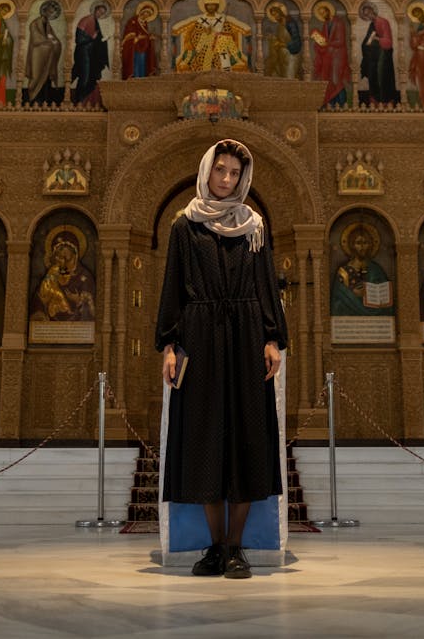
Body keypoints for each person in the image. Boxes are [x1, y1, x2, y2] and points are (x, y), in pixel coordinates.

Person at [156, 139, 287, 579]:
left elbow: (266, 284)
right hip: (201, 338)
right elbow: (173, 287)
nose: (227, 180)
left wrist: (272, 338)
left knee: (248, 440)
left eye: (234, 173)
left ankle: (236, 548)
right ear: (207, 171)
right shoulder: (184, 226)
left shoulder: (254, 226)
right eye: (221, 171)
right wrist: (170, 346)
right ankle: (216, 547)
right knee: (206, 441)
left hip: (247, 337)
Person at [330, 223, 392, 316]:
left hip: (376, 317)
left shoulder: (376, 269)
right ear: (352, 245)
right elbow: (338, 298)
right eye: (358, 243)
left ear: (370, 245)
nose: (362, 247)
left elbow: (386, 298)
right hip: (349, 318)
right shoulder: (343, 271)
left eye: (365, 243)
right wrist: (353, 294)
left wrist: (371, 293)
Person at [311, 1, 350, 109]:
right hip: (328, 56)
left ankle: (342, 104)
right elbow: (324, 39)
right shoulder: (326, 23)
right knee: (328, 79)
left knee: (336, 80)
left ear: (329, 11)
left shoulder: (339, 22)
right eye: (321, 14)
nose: (323, 15)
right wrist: (319, 41)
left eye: (324, 12)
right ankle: (331, 103)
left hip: (338, 56)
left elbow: (340, 41)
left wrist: (327, 43)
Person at [25, 0, 63, 104]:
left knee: (46, 79)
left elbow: (54, 39)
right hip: (37, 56)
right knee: (36, 77)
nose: (50, 14)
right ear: (44, 10)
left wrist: (56, 43)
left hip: (48, 56)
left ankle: (45, 101)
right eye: (49, 12)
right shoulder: (35, 23)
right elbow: (36, 39)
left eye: (52, 13)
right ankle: (34, 100)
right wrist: (49, 42)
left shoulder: (48, 25)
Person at [72, 1, 111, 103]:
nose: (100, 14)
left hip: (90, 54)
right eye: (100, 11)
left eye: (102, 13)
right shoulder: (86, 20)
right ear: (95, 10)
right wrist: (91, 38)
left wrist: (103, 40)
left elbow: (97, 39)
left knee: (86, 76)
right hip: (83, 52)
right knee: (84, 76)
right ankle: (79, 100)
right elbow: (79, 39)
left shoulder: (95, 22)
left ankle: (83, 100)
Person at [359, 1, 397, 106]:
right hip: (374, 57)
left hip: (383, 57)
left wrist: (376, 38)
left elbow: (388, 42)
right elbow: (367, 41)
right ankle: (375, 100)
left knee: (383, 78)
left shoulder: (383, 22)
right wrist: (367, 45)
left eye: (369, 13)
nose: (368, 15)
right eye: (366, 15)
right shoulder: (372, 24)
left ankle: (386, 102)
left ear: (373, 11)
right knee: (373, 76)